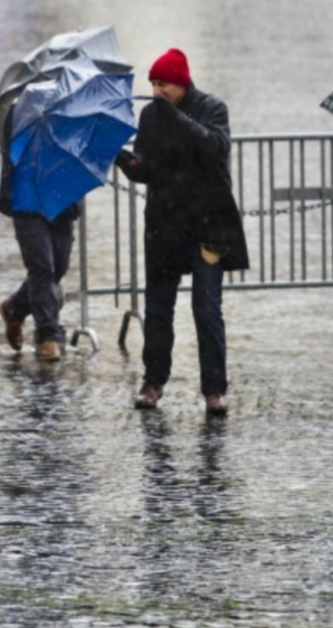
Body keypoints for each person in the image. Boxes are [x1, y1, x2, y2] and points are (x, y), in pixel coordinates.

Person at [115, 48, 249, 414]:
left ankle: (214, 389)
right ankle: (153, 381)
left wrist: (175, 118)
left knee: (206, 307)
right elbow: (144, 168)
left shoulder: (212, 108)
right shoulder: (150, 115)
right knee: (159, 307)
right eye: (154, 84)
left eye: (164, 84)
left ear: (182, 83)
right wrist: (121, 156)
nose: (158, 91)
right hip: (165, 225)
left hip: (208, 227)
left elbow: (215, 148)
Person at [0, 108, 81, 362]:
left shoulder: (75, 112)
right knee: (41, 266)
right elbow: (10, 150)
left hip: (61, 197)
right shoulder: (19, 110)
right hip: (26, 197)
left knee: (59, 266)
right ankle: (47, 336)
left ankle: (15, 308)